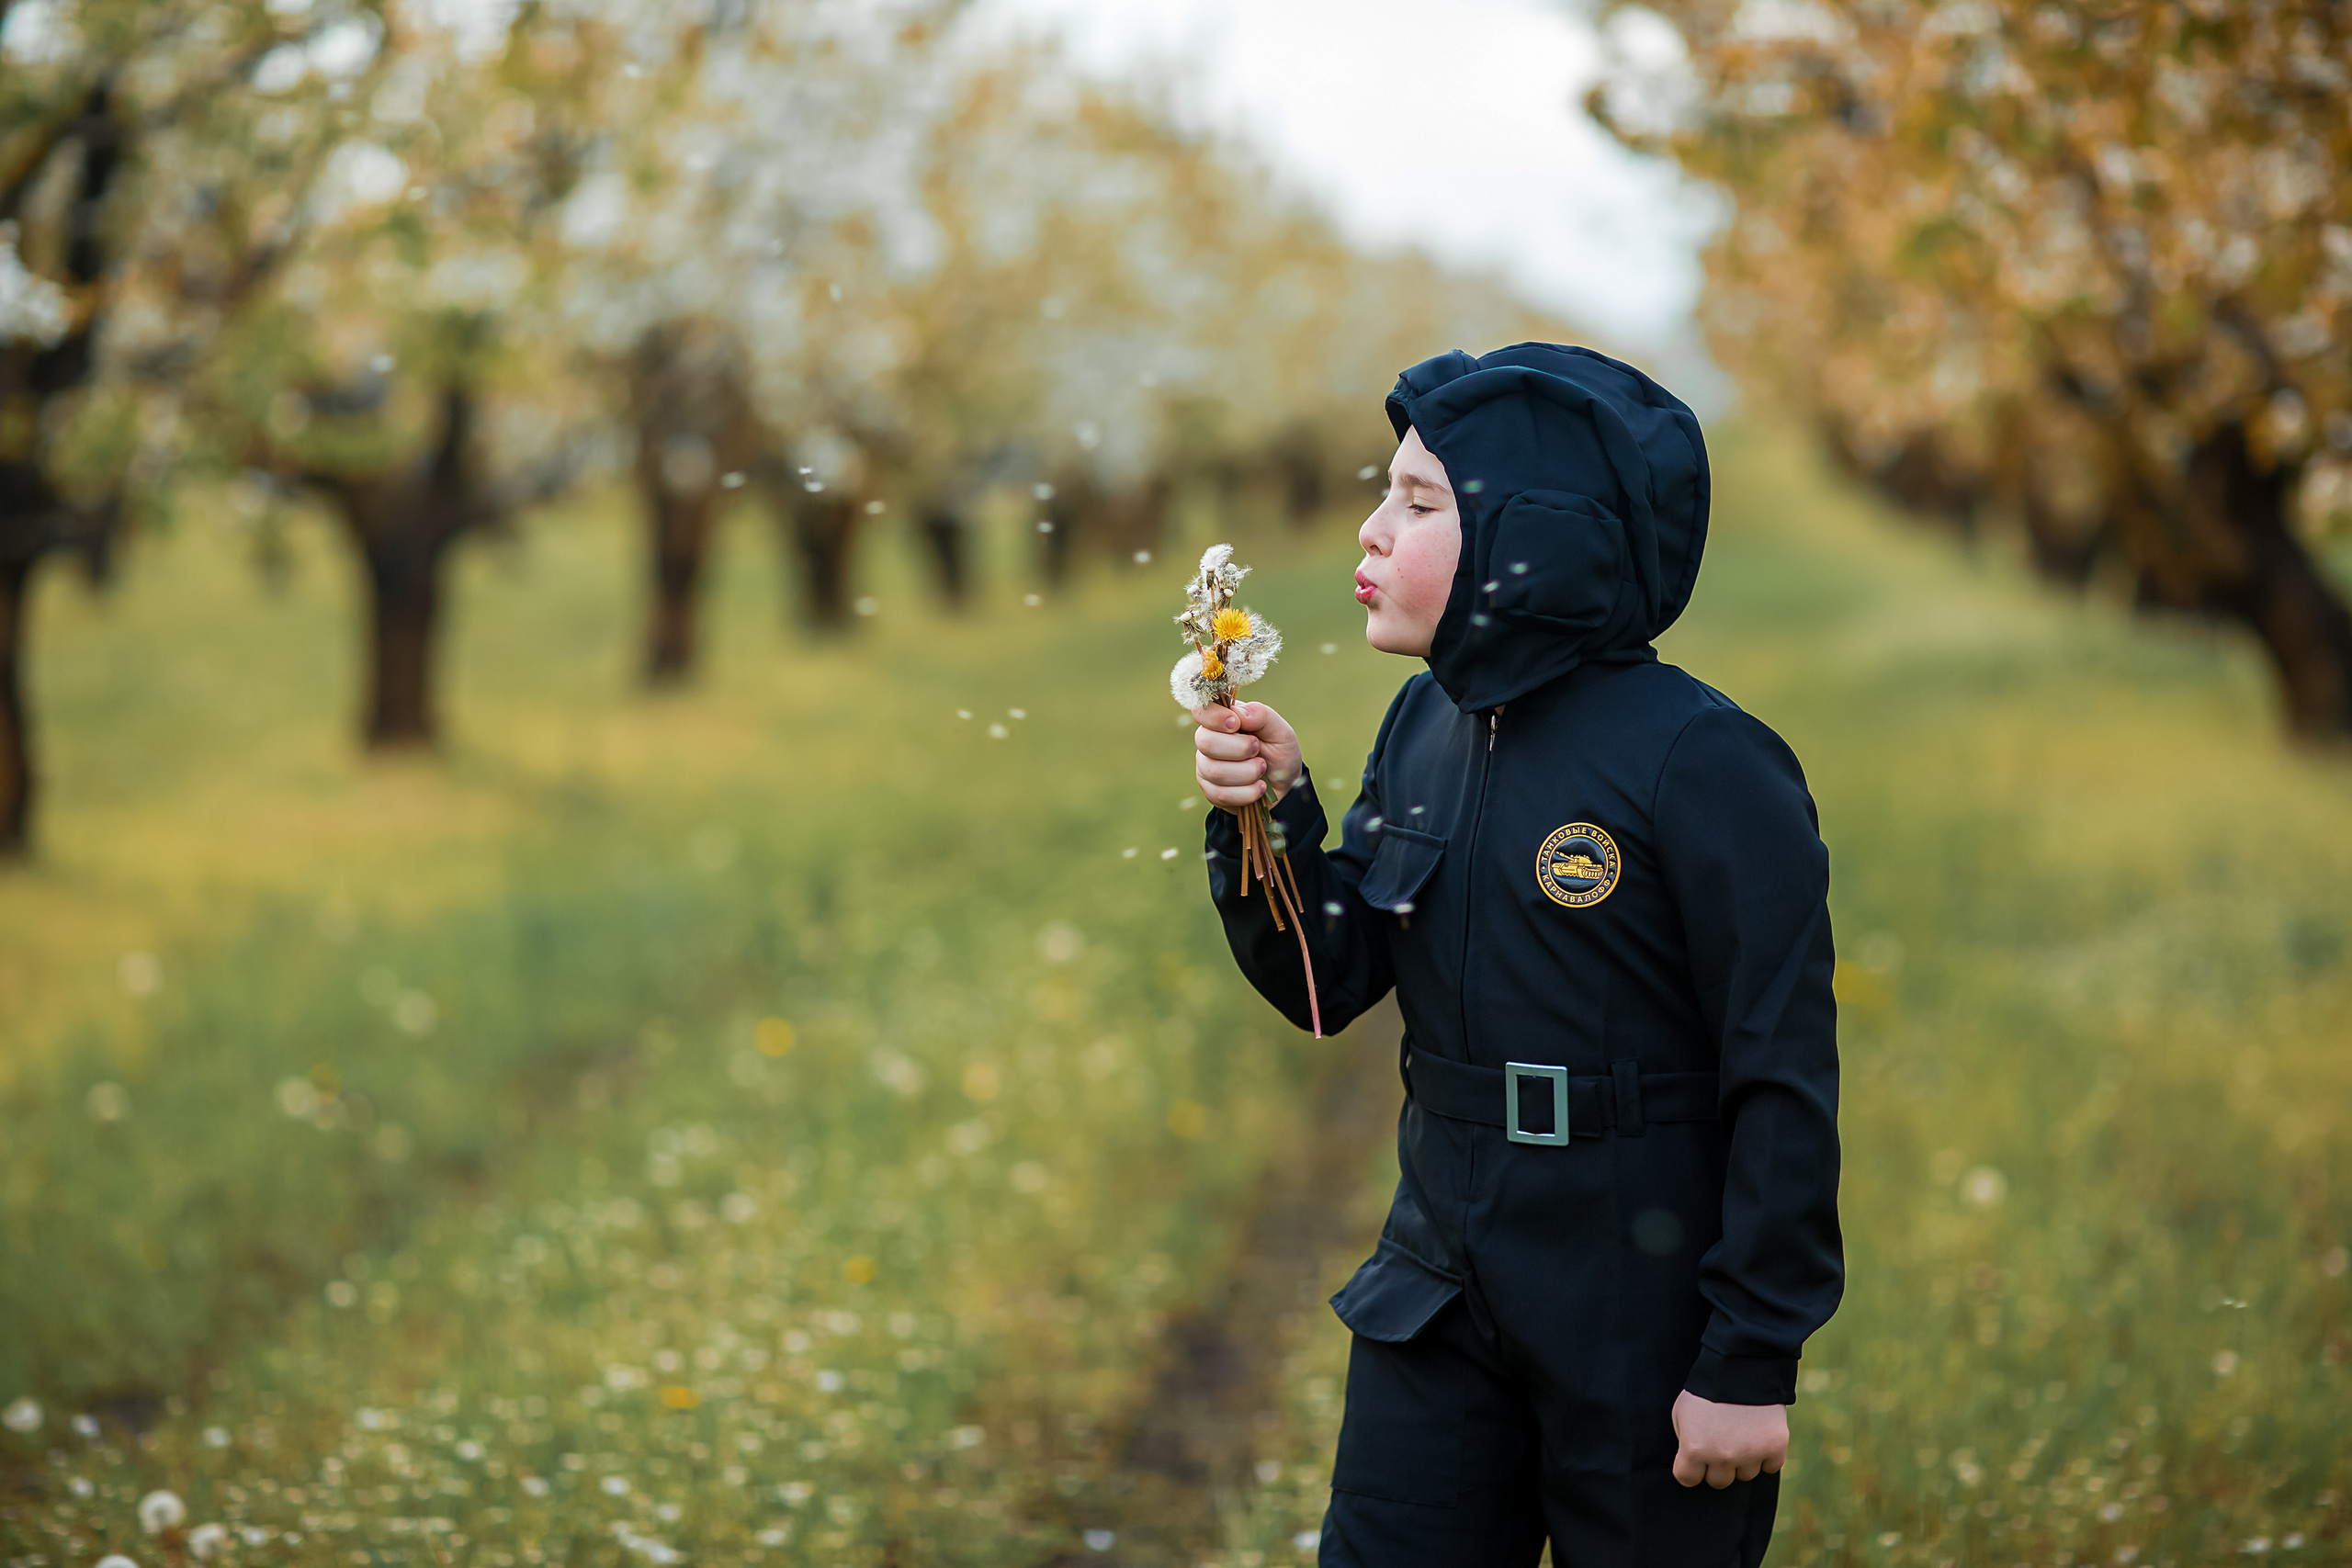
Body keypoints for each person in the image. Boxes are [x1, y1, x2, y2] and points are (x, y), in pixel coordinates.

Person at [1190, 344, 1842, 1566]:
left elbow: (1783, 1073)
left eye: (1422, 503)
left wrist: (1751, 1356)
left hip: (1636, 1309)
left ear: (1538, 538)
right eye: (1385, 493)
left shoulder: (1703, 761)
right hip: (1435, 1282)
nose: (1374, 532)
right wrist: (1266, 821)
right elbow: (1332, 986)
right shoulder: (1425, 720)